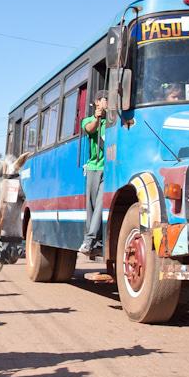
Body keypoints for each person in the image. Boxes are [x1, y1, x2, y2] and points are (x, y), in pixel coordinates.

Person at [79, 90, 107, 256]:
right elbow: (90, 129)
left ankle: (89, 241)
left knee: (100, 205)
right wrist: (97, 118)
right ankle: (92, 242)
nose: (108, 102)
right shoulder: (89, 120)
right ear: (97, 102)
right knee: (91, 207)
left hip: (107, 169)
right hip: (92, 168)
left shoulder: (113, 120)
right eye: (105, 100)